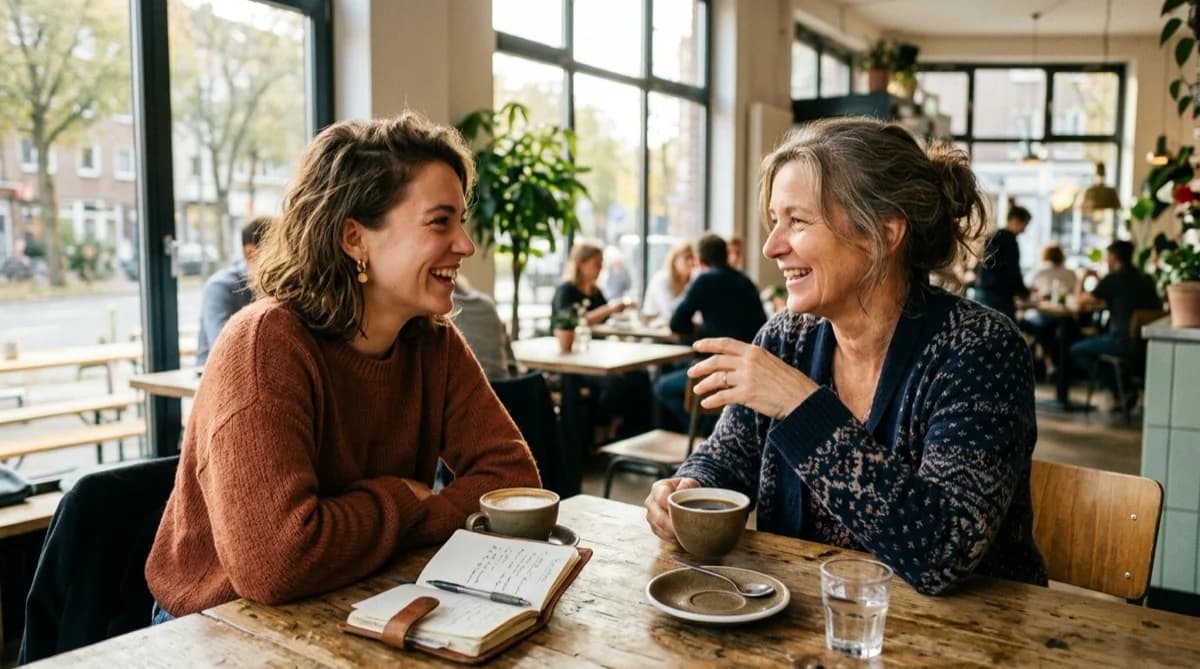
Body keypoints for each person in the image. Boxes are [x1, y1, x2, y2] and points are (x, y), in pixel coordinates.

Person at [145, 113, 541, 619]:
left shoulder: (432, 343)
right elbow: (276, 561)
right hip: (219, 625)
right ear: (355, 239)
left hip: (360, 592)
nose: (465, 244)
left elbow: (512, 480)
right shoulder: (264, 344)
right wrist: (404, 500)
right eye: (440, 221)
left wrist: (415, 513)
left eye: (460, 221)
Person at [644, 116, 1046, 596]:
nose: (773, 246)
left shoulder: (979, 350)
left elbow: (943, 550)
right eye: (775, 221)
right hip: (802, 625)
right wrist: (687, 488)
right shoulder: (786, 339)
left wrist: (802, 407)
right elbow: (728, 457)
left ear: (884, 233)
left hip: (976, 640)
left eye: (797, 221)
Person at [654, 233, 765, 431]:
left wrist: (699, 328)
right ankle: (710, 429)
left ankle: (700, 434)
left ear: (700, 259)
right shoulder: (746, 281)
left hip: (717, 368)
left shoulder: (704, 280)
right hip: (749, 369)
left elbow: (677, 323)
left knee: (663, 386)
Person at [551, 242, 648, 441]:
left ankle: (618, 433)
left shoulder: (595, 292)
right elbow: (573, 321)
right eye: (596, 264)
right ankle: (599, 434)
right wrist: (611, 308)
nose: (600, 269)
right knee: (615, 384)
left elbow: (606, 318)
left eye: (601, 264)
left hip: (596, 355)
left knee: (640, 377)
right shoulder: (566, 290)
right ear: (581, 263)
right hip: (573, 361)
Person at [1070, 240, 1162, 410]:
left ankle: (1118, 388)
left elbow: (1079, 300)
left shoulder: (1113, 279)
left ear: (1113, 257)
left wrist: (1083, 276)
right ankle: (1123, 387)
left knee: (1077, 350)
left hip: (1121, 341)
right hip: (1145, 343)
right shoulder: (1146, 279)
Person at [195, 216, 270, 366]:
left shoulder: (276, 287)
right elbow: (223, 349)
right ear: (250, 253)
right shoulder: (220, 286)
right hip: (214, 378)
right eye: (275, 253)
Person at [973, 201, 1031, 321]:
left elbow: (978, 266)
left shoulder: (992, 236)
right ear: (1015, 220)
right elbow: (1013, 271)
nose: (1024, 230)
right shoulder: (1010, 241)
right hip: (999, 298)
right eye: (1024, 225)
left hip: (981, 294)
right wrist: (1024, 293)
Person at [451, 277, 516, 380]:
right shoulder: (487, 303)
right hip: (505, 386)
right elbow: (510, 358)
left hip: (476, 389)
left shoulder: (445, 310)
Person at [641, 240, 695, 324]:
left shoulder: (693, 279)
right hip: (654, 330)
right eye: (687, 257)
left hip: (679, 329)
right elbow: (669, 312)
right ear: (674, 259)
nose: (691, 262)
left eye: (693, 258)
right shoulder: (662, 279)